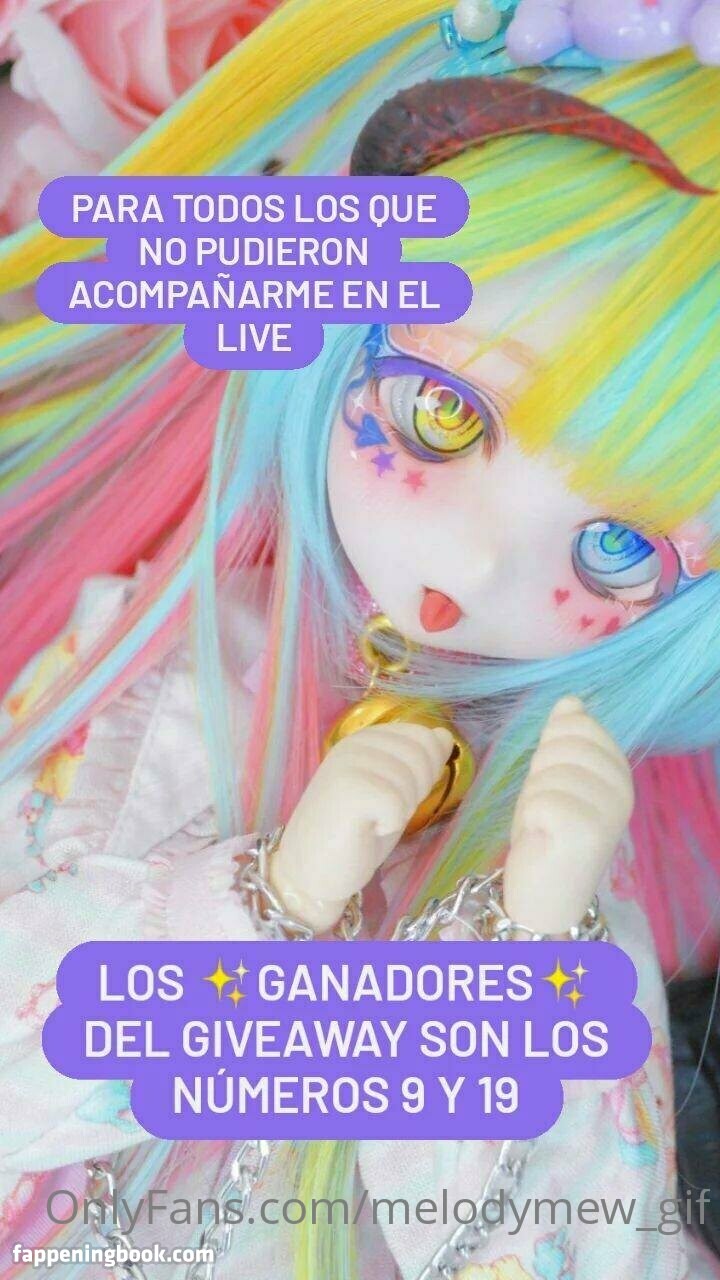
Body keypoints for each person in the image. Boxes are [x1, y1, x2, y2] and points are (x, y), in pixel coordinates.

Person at [0, 1, 718, 1276]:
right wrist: (260, 906)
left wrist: (526, 955)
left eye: (619, 545)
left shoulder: (562, 861)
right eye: (442, 413)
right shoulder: (158, 672)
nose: (474, 566)